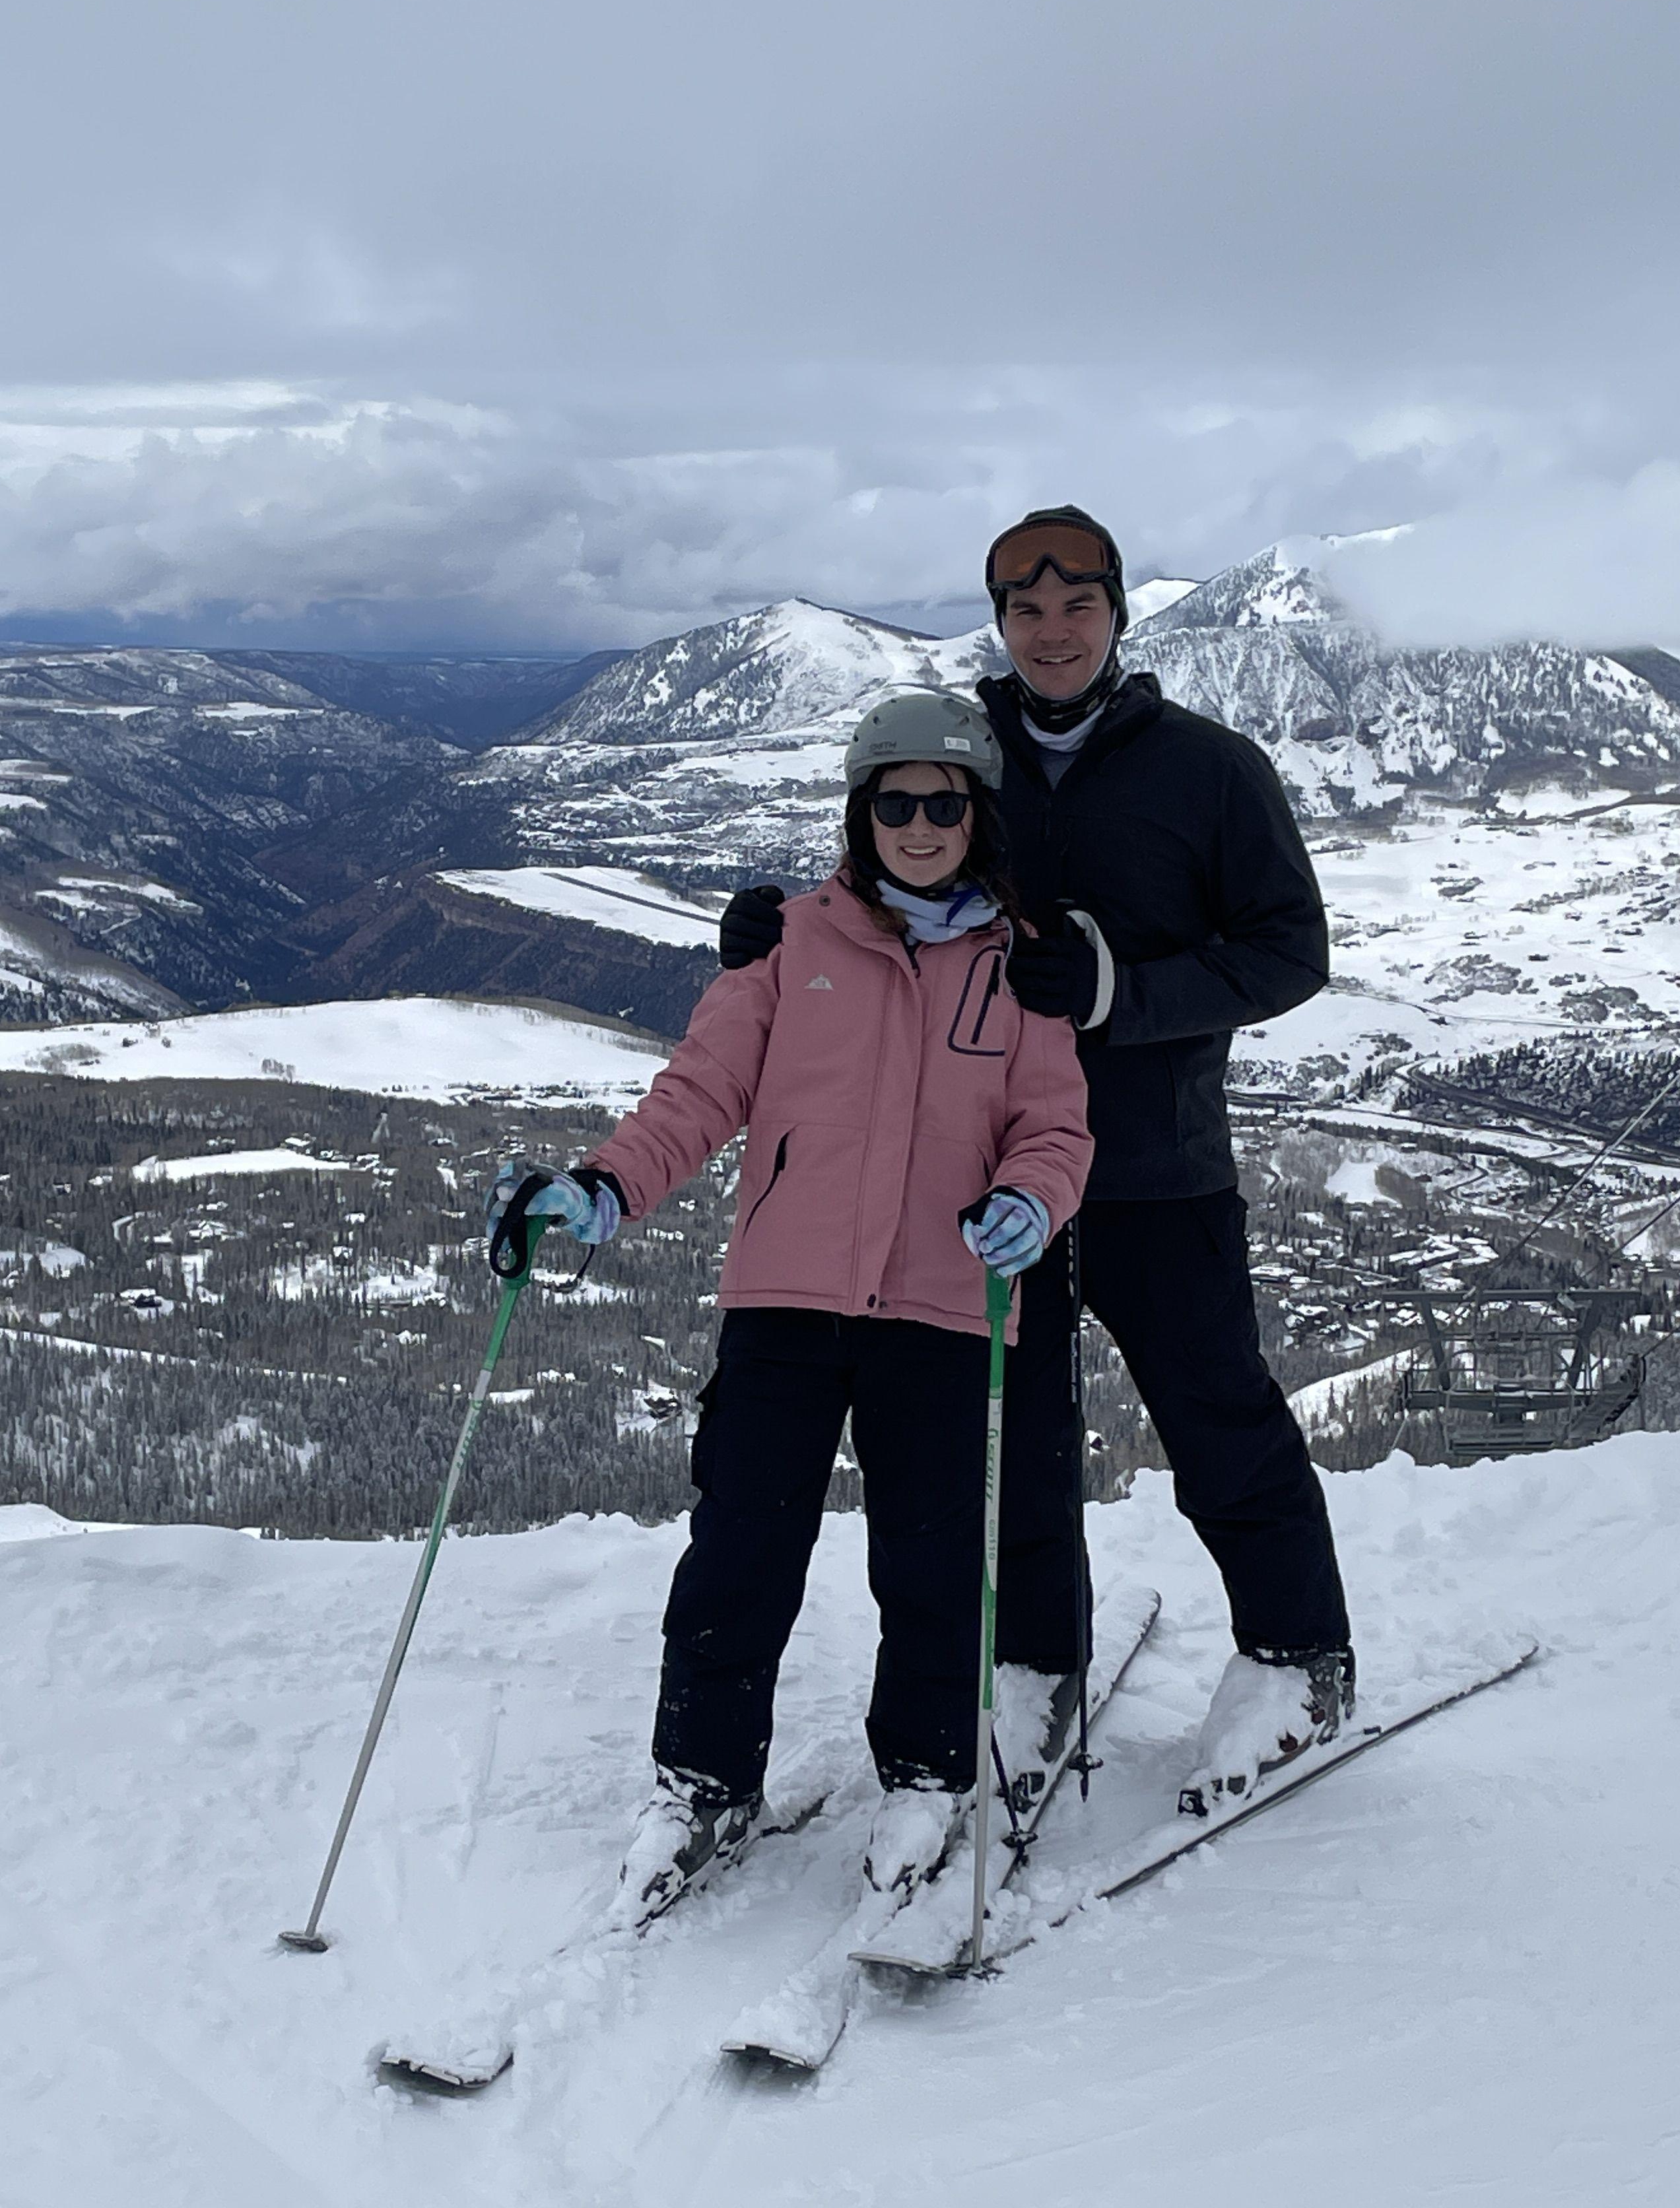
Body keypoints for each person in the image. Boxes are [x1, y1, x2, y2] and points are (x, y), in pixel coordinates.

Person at [719, 507, 1352, 1808]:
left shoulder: (1209, 771)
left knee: (1213, 1408)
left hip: (1155, 1168)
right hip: (980, 1187)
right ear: (1000, 619)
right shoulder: (970, 751)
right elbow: (887, 880)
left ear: (1119, 613)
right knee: (1015, 1441)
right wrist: (781, 932)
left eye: (1078, 605)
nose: (1052, 630)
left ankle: (1298, 1651)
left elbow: (1290, 952)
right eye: (1025, 607)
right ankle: (1033, 1665)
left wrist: (1119, 986)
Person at [487, 690, 1092, 1924]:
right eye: (894, 801)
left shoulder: (1020, 967)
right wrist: (606, 1188)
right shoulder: (785, 947)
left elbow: (1055, 1125)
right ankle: (704, 1778)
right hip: (787, 1300)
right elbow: (702, 1092)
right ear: (861, 812)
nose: (918, 824)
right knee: (741, 1550)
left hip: (940, 1306)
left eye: (943, 802)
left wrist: (1034, 1199)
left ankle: (927, 1774)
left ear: (976, 816)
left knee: (930, 1561)